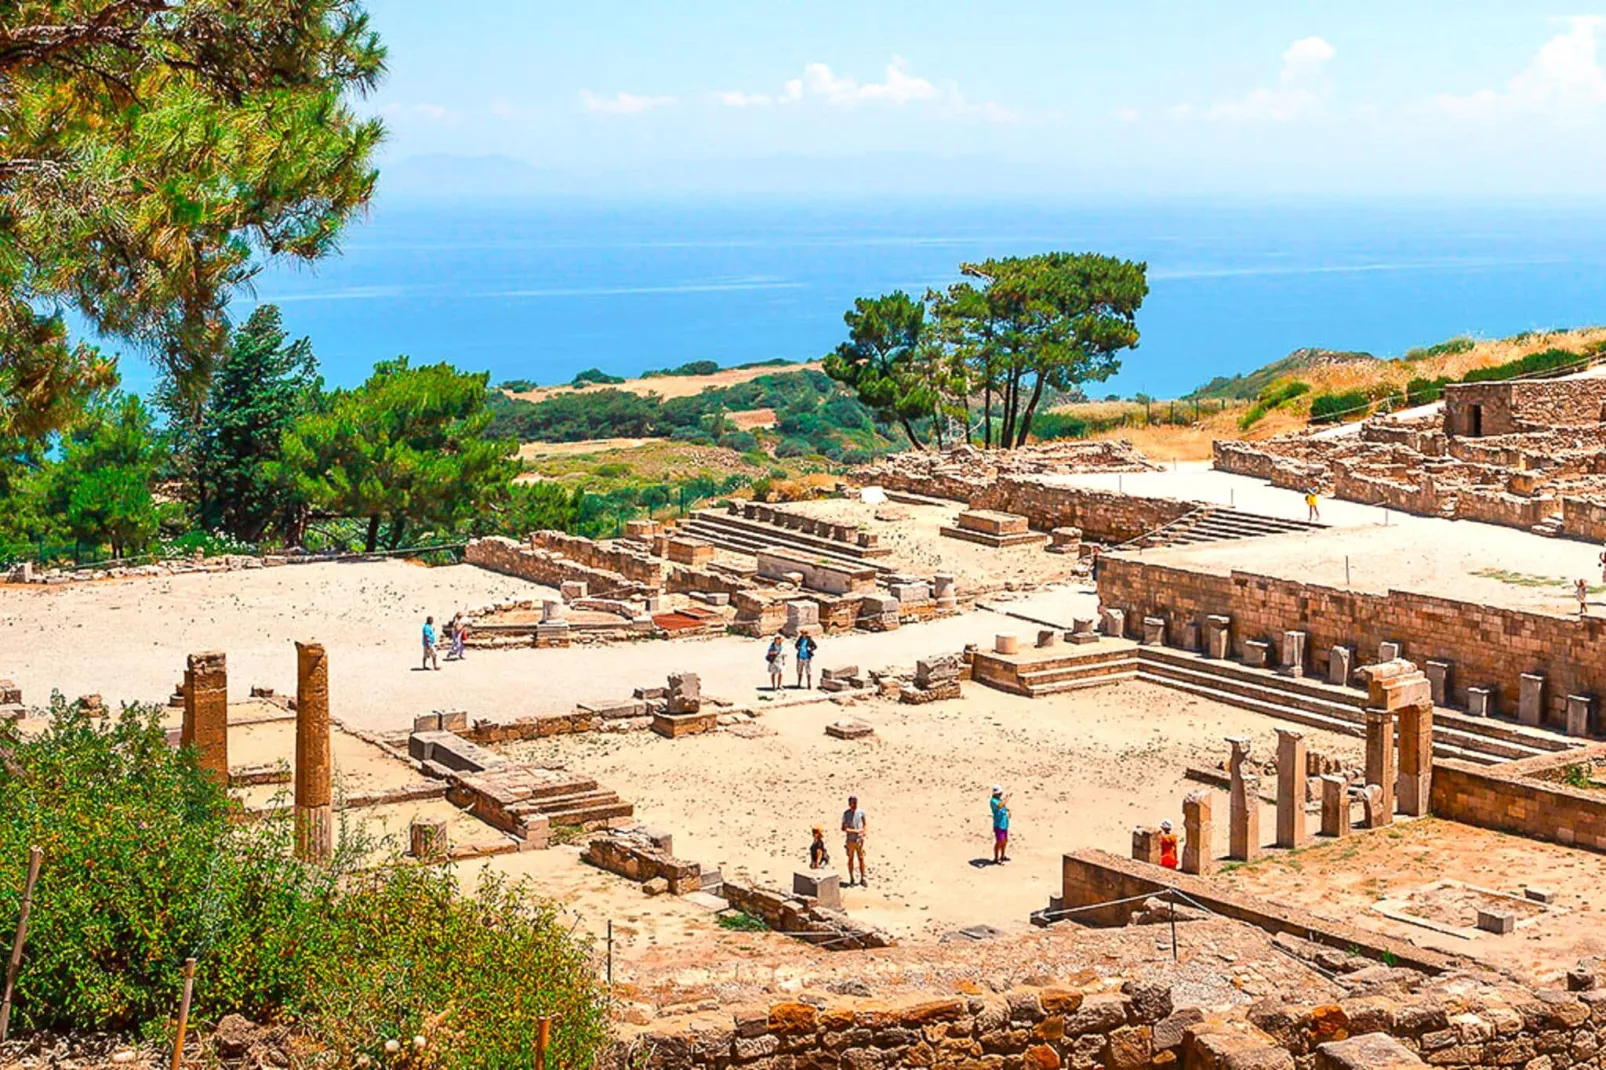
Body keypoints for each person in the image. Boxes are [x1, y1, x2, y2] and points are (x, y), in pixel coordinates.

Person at [841, 794, 867, 887]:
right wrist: (855, 831)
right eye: (853, 802)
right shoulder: (846, 814)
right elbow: (843, 828)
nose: (855, 804)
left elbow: (864, 824)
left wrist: (863, 832)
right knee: (851, 859)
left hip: (859, 840)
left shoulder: (861, 812)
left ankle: (862, 878)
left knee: (861, 858)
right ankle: (851, 878)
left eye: (856, 802)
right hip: (850, 840)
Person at [990, 786, 1011, 864]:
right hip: (998, 824)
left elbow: (1003, 807)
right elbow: (999, 806)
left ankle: (1002, 856)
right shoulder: (993, 801)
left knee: (1005, 841)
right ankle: (996, 858)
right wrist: (1006, 799)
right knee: (999, 841)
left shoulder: (999, 800)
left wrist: (1008, 810)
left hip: (1004, 823)